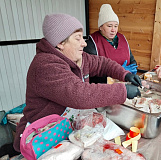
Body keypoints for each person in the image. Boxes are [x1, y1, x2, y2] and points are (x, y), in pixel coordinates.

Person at [13, 13, 141, 152]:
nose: (84, 43)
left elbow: (102, 63)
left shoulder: (77, 57)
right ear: (61, 43)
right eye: (77, 38)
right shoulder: (45, 65)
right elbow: (80, 94)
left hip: (65, 129)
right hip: (41, 136)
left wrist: (124, 74)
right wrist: (123, 90)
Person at [83, 4, 138, 84]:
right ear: (101, 27)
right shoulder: (91, 43)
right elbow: (90, 72)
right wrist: (118, 73)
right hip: (104, 87)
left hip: (125, 82)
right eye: (109, 26)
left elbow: (132, 59)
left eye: (116, 26)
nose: (113, 30)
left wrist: (131, 69)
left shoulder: (122, 39)